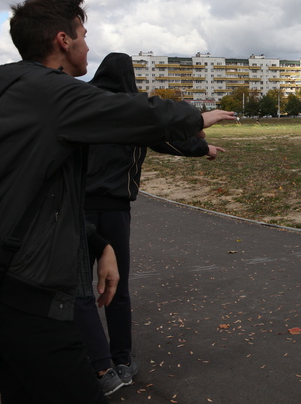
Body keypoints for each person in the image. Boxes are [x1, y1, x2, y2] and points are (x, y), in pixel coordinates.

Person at [0, 0, 235, 403]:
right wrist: (196, 118)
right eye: (84, 36)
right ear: (63, 40)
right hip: (29, 285)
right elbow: (138, 113)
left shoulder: (3, 86)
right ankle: (109, 364)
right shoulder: (54, 93)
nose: (88, 46)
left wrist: (96, 242)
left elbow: (36, 192)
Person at [73, 53, 226, 396]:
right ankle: (122, 361)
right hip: (114, 209)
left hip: (77, 208)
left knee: (80, 287)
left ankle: (101, 368)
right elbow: (166, 138)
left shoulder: (85, 108)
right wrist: (202, 148)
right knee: (117, 286)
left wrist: (202, 148)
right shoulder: (131, 114)